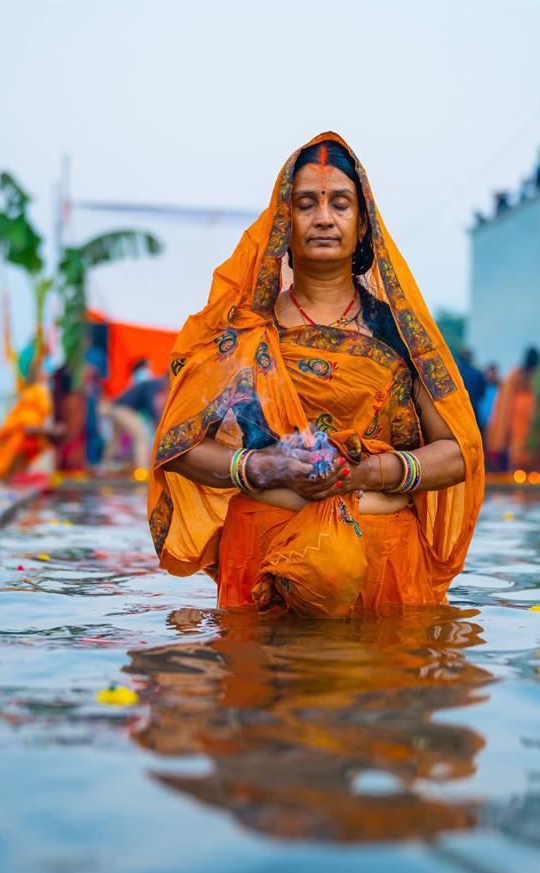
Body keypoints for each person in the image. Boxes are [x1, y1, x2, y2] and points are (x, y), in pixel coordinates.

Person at [148, 133, 484, 616]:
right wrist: (267, 466)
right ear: (283, 222)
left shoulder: (399, 333)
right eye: (306, 204)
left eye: (340, 204)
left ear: (362, 223)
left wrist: (369, 472)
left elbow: (457, 452)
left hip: (383, 562)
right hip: (264, 552)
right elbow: (176, 447)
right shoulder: (247, 331)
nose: (324, 218)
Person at [0, 344, 61, 482]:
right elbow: (26, 427)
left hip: (16, 451)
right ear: (36, 371)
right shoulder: (34, 393)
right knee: (24, 440)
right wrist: (50, 430)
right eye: (44, 367)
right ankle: (17, 474)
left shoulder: (35, 393)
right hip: (11, 452)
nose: (48, 371)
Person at [485, 347, 540, 470]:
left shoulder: (524, 374)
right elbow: (507, 395)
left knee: (521, 449)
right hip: (520, 415)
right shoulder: (520, 374)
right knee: (517, 450)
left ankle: (517, 471)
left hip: (522, 415)